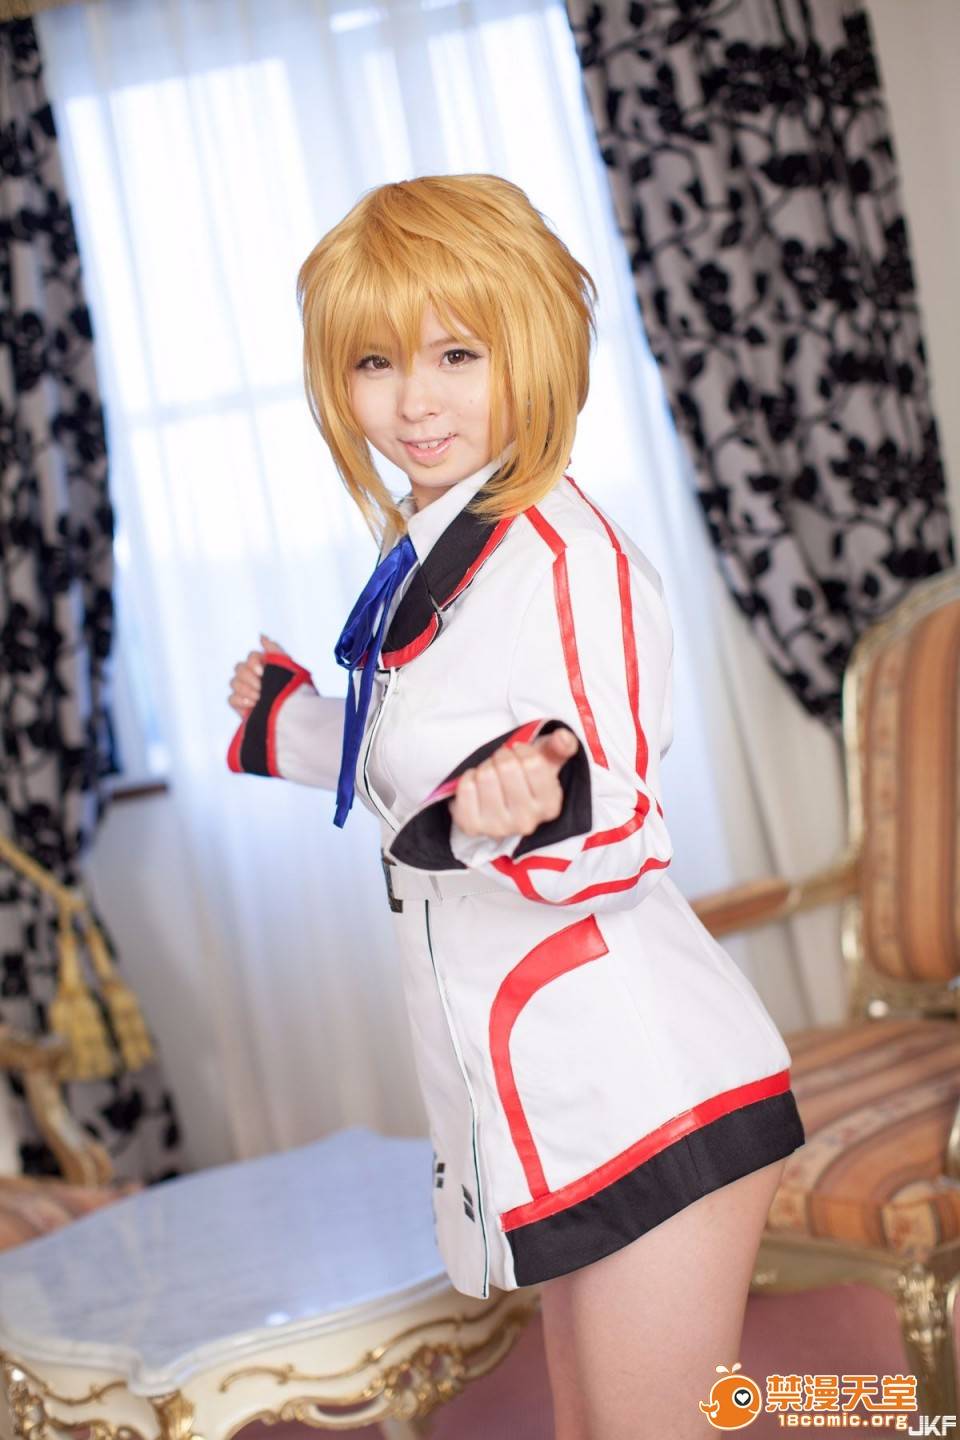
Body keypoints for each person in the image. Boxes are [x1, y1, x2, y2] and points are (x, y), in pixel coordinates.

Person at [226, 173, 805, 1440]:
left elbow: (625, 816)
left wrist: (528, 808)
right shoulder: (435, 554)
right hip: (552, 1099)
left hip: (648, 1086)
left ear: (530, 348)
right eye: (375, 362)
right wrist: (287, 722)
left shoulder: (569, 558)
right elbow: (413, 753)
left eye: (456, 353)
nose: (413, 399)